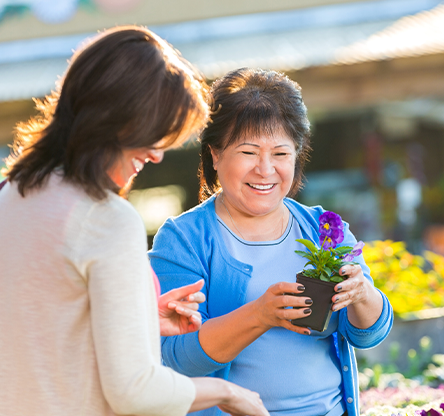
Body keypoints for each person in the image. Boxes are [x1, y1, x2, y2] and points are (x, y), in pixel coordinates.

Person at [0, 27, 268, 416]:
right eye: (156, 133)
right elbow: (134, 392)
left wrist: (138, 319)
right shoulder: (105, 218)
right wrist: (228, 392)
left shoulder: (11, 194)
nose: (158, 155)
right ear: (118, 118)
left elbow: (38, 328)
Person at [149, 67, 394, 416]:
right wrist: (261, 315)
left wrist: (362, 295)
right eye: (249, 152)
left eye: (280, 154)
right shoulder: (184, 240)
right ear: (215, 155)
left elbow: (368, 335)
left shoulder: (322, 228)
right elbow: (175, 359)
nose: (265, 170)